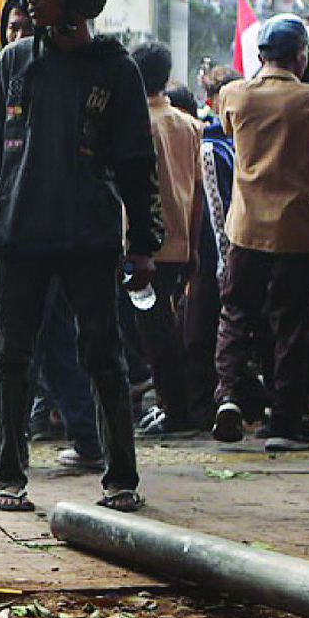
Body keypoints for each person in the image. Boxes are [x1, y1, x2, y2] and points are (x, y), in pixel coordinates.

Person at [0, 0, 161, 513]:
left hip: (89, 237)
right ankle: (10, 477)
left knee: (104, 357)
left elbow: (139, 165)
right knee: (9, 358)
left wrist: (144, 243)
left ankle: (121, 478)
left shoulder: (117, 71)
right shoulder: (14, 63)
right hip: (15, 233)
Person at [209, 13, 309, 452]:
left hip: (245, 227)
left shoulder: (234, 95)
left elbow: (233, 136)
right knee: (290, 323)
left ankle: (231, 395)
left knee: (236, 314)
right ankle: (286, 421)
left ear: (259, 56)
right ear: (301, 57)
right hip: (297, 229)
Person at [132, 40, 208, 435]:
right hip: (179, 239)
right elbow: (197, 194)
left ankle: (175, 409)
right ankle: (173, 405)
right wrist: (193, 246)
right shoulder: (188, 125)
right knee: (164, 325)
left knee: (153, 331)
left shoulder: (133, 122)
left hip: (139, 244)